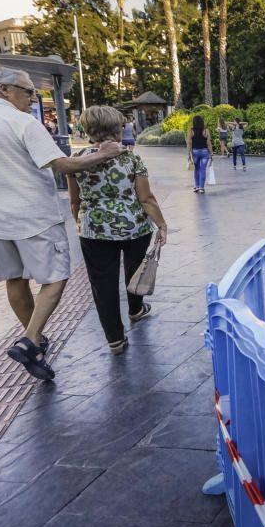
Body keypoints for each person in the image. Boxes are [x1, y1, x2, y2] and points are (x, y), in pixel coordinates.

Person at [0, 67, 125, 380]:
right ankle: (29, 339)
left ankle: (35, 344)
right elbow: (64, 164)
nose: (32, 97)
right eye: (27, 91)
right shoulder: (22, 122)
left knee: (14, 279)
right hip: (33, 217)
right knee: (56, 277)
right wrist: (103, 154)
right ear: (3, 89)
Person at [68, 106, 168, 355]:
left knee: (102, 284)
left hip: (95, 230)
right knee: (135, 271)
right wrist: (162, 224)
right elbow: (146, 198)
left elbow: (74, 201)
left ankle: (115, 339)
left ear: (88, 130)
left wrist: (81, 222)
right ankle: (135, 309)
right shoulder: (131, 159)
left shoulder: (77, 159)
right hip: (134, 226)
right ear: (117, 129)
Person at [185, 115, 213, 193]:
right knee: (203, 170)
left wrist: (188, 154)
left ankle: (197, 186)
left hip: (195, 152)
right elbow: (209, 143)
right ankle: (201, 188)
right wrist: (211, 153)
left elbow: (189, 143)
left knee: (196, 169)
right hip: (204, 152)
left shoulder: (191, 130)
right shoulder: (206, 130)